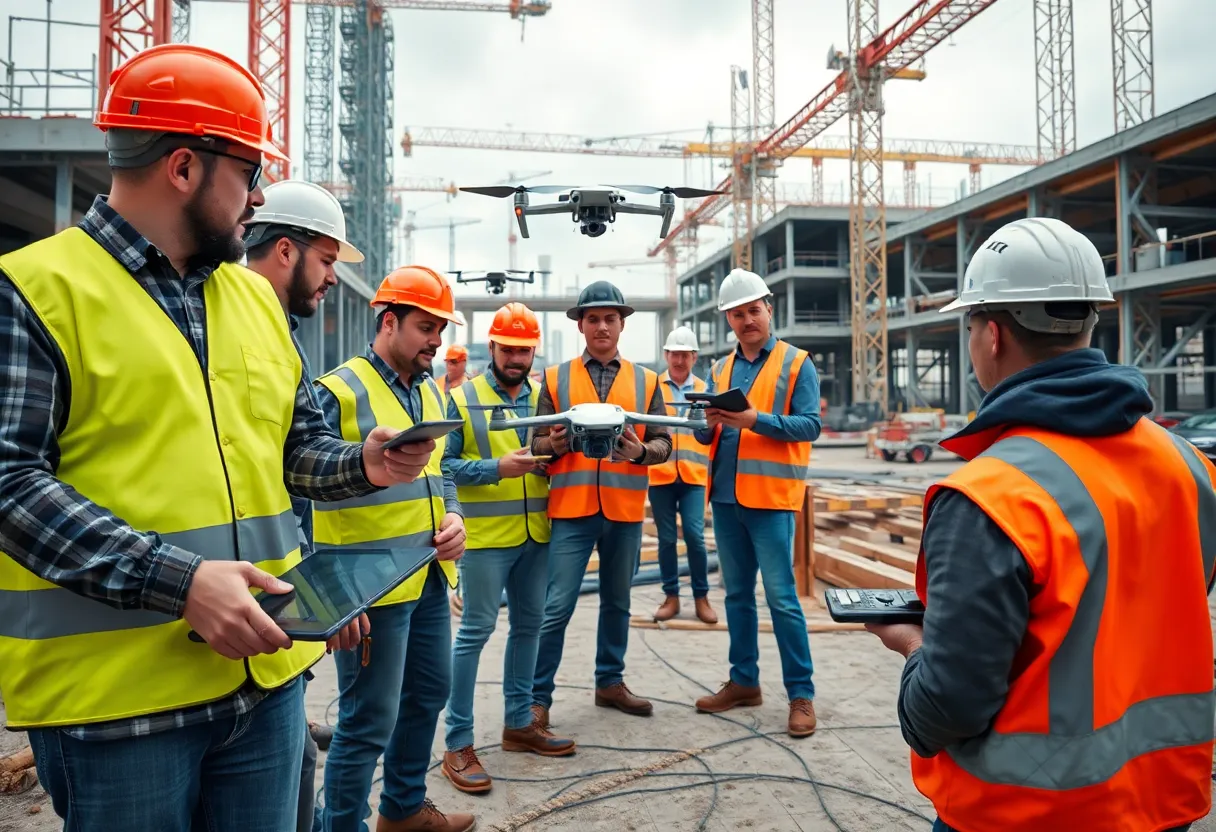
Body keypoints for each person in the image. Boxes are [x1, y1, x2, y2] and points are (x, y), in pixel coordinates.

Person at [0, 43, 432, 832]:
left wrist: (366, 464)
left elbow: (295, 448)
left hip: (265, 683)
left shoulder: (253, 300)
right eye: (248, 172)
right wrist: (180, 581)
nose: (258, 195)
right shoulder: (36, 289)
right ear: (185, 167)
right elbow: (9, 483)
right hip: (119, 707)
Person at [865, 217, 1216, 832]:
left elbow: (946, 706)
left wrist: (912, 644)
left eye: (970, 325)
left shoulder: (988, 496)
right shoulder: (1189, 466)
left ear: (992, 335)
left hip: (1028, 811)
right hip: (1162, 800)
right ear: (1088, 322)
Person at [313, 265, 471, 832]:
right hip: (368, 589)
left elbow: (443, 470)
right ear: (389, 320)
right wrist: (328, 599)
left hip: (427, 574)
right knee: (367, 721)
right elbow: (301, 489)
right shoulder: (337, 392)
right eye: (426, 326)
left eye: (440, 328)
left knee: (430, 691)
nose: (437, 340)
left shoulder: (429, 388)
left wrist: (452, 513)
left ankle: (402, 812)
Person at [243, 178, 367, 832]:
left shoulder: (278, 337)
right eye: (325, 262)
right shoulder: (229, 324)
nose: (330, 280)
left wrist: (369, 462)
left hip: (278, 625)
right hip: (205, 633)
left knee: (295, 783)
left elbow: (290, 470)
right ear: (286, 252)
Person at [440, 302, 576, 794]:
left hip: (536, 536)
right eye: (508, 348)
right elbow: (443, 468)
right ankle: (457, 742)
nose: (516, 357)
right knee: (474, 631)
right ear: (491, 347)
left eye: (524, 349)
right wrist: (498, 468)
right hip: (485, 540)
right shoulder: (461, 399)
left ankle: (520, 722)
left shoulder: (547, 399)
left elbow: (553, 459)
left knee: (529, 629)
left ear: (533, 350)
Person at [529, 280, 672, 725]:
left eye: (610, 318)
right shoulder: (555, 378)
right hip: (571, 509)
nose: (602, 326)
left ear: (622, 324)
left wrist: (640, 453)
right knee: (556, 608)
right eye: (593, 318)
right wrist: (552, 443)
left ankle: (610, 682)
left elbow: (666, 441)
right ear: (581, 325)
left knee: (618, 601)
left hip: (624, 511)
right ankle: (537, 698)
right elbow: (534, 442)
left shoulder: (648, 381)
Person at [691, 268, 821, 739]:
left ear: (769, 308)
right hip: (725, 499)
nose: (747, 320)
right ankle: (744, 681)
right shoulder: (720, 369)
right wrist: (704, 421)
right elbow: (711, 433)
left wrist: (754, 419)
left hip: (771, 500)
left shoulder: (795, 363)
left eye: (753, 310)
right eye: (737, 314)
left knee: (783, 600)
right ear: (728, 319)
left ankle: (801, 694)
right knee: (738, 596)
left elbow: (809, 426)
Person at [650, 326, 717, 625]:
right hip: (660, 476)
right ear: (666, 355)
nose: (679, 360)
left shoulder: (705, 390)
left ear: (694, 357)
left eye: (684, 355)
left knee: (694, 537)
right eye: (674, 354)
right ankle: (671, 597)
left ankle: (701, 597)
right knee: (665, 540)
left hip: (694, 477)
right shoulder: (654, 389)